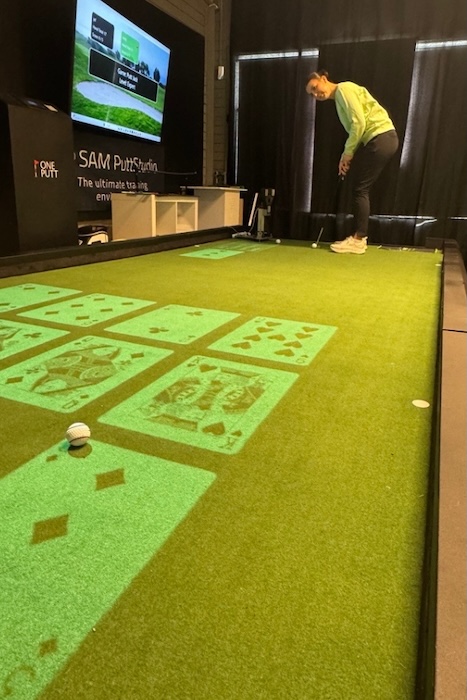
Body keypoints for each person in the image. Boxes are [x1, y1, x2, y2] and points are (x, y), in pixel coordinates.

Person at [306, 70, 399, 254]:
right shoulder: (339, 98)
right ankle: (359, 238)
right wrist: (347, 155)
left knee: (360, 189)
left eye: (315, 88)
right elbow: (357, 129)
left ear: (323, 79)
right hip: (380, 139)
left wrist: (347, 153)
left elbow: (359, 123)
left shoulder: (344, 89)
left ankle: (358, 240)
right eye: (312, 94)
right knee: (360, 187)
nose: (316, 95)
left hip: (381, 137)